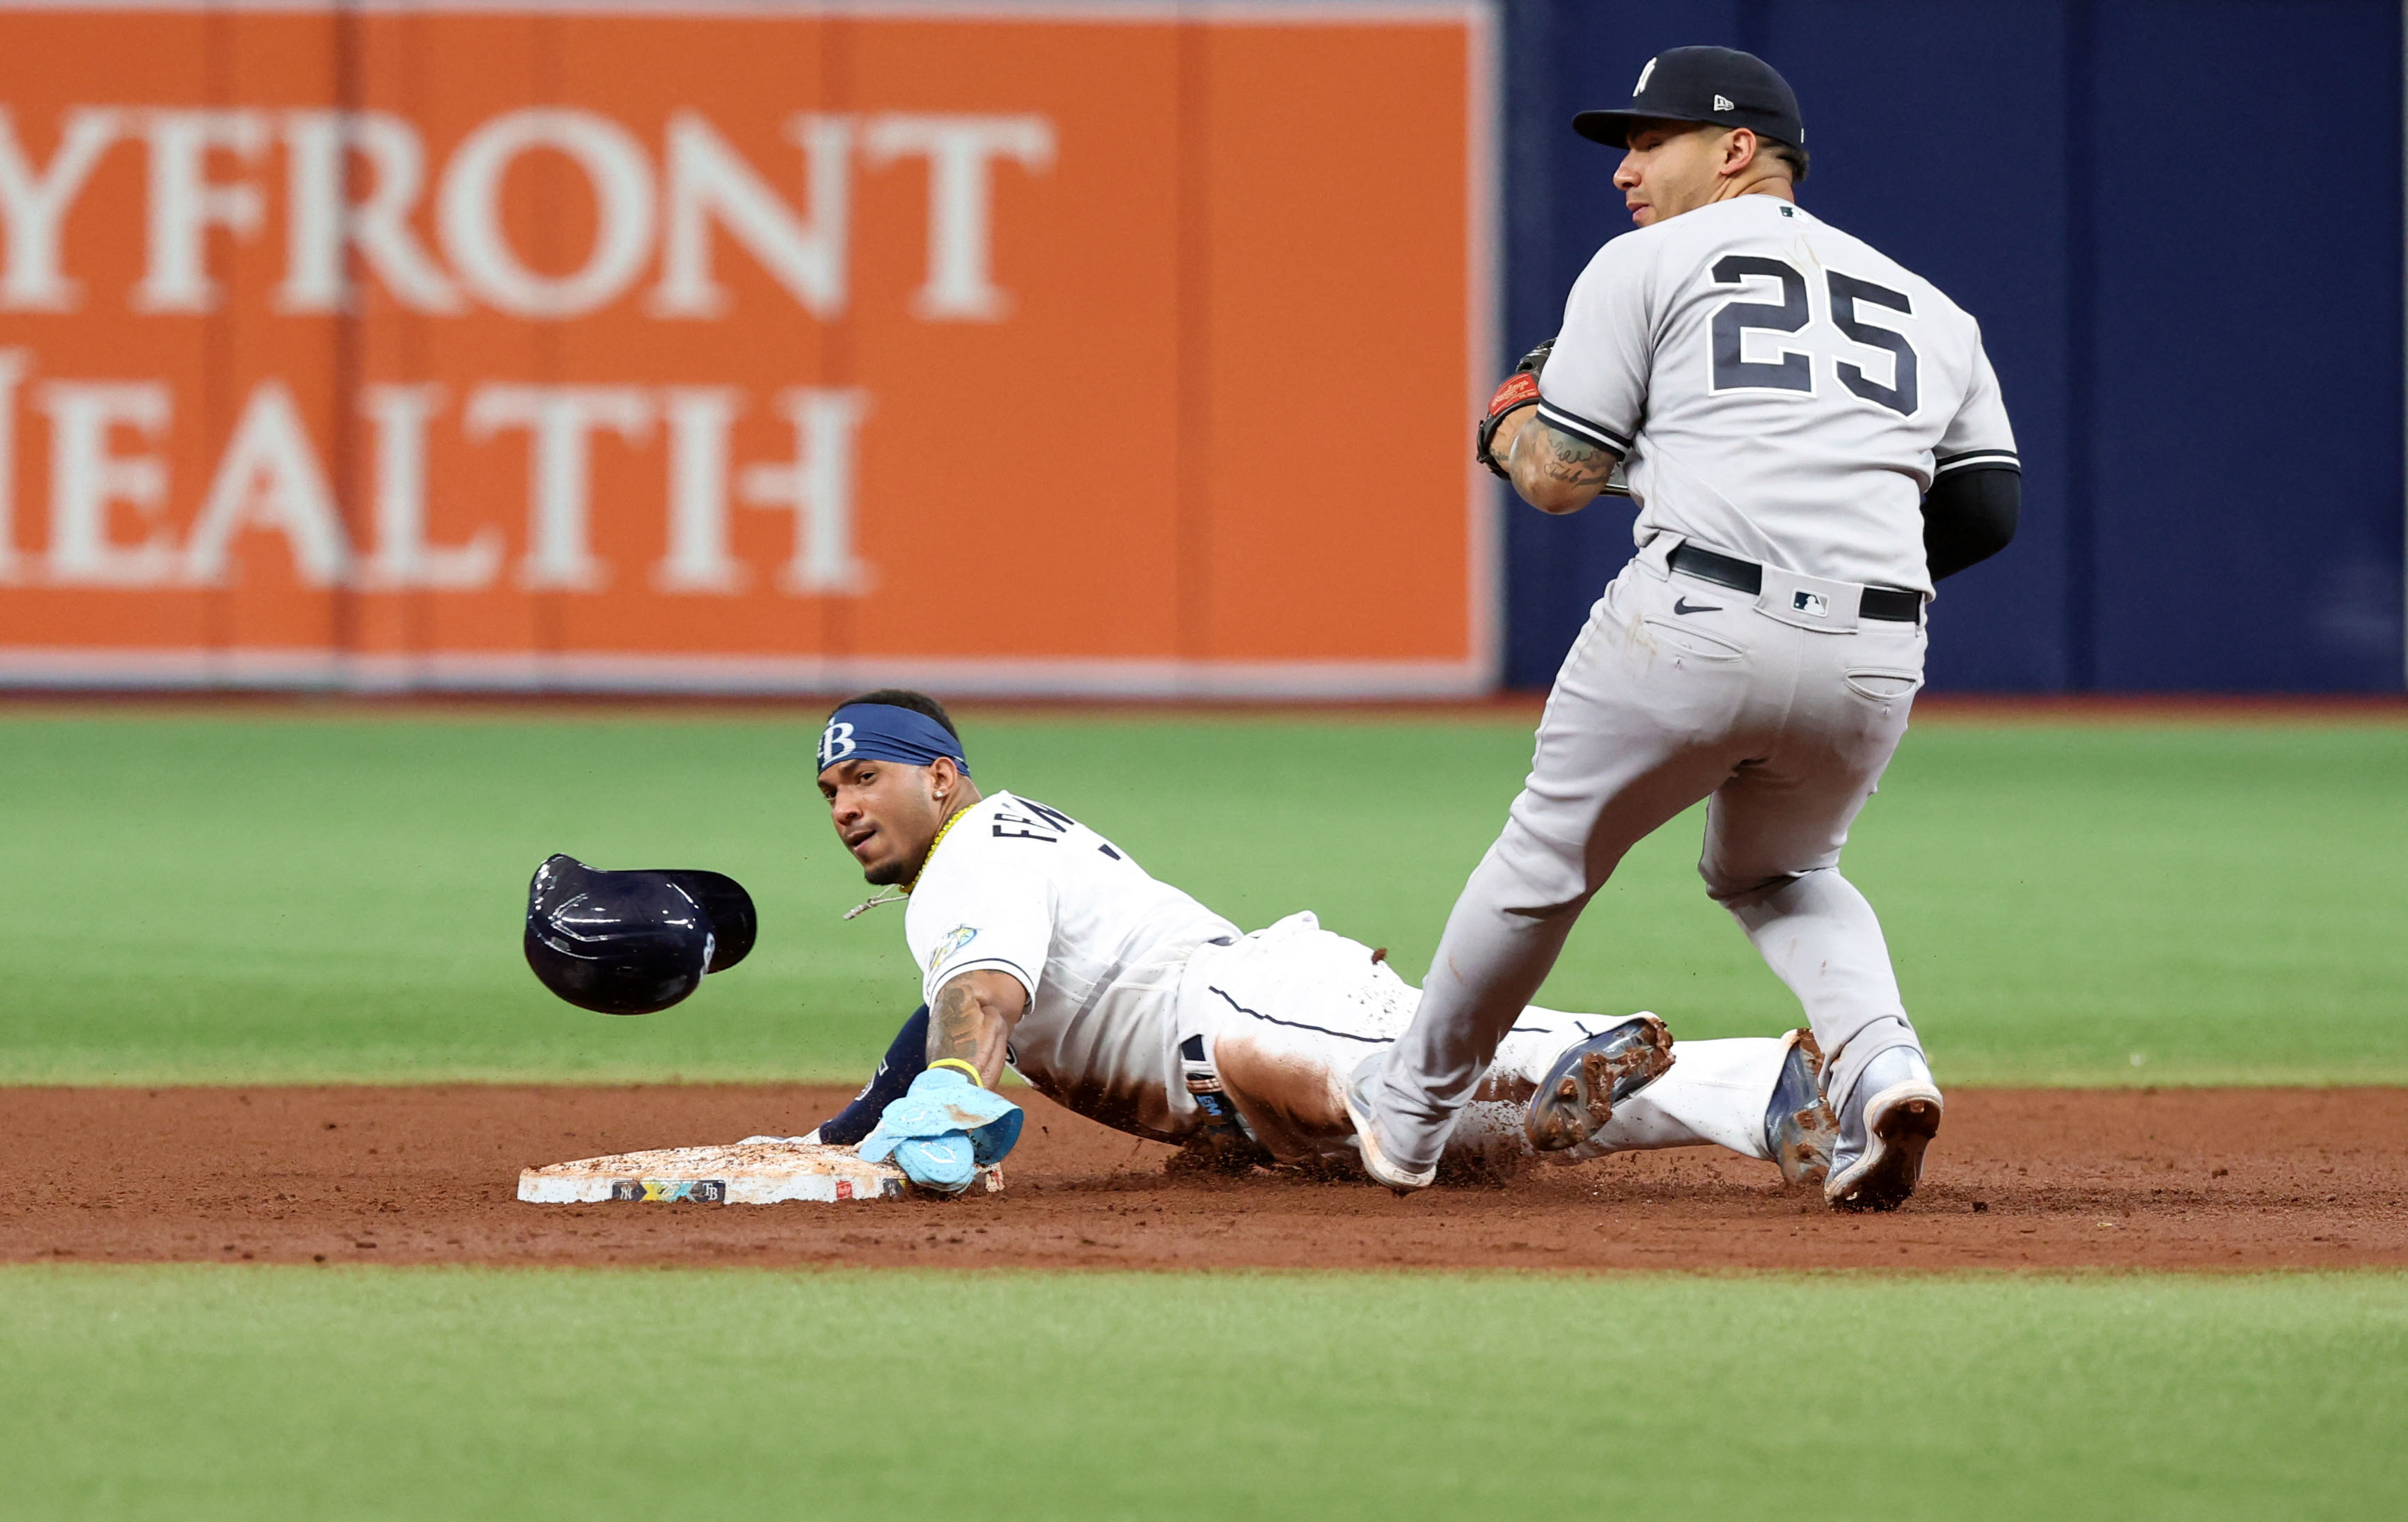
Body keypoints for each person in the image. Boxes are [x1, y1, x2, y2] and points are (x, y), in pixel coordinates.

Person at [1349, 47, 2020, 1211]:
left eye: (1652, 140)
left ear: (1739, 150)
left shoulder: (1648, 260)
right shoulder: (1932, 306)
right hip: (1877, 646)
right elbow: (1986, 508)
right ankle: (1884, 1064)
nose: (1625, 168)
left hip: (1696, 617)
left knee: (1547, 861)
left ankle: (1407, 1118)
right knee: (1782, 869)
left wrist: (1506, 421)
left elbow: (1561, 475)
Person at [801, 689, 1839, 1194]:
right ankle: (1756, 1087)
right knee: (1487, 1132)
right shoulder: (993, 845)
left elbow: (980, 1000)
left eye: (864, 778)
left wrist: (947, 1095)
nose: (844, 806)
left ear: (940, 774)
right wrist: (862, 1118)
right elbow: (946, 1005)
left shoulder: (969, 855)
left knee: (1421, 1087)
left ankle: (1553, 1050)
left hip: (1242, 1008)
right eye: (831, 791)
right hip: (1257, 1068)